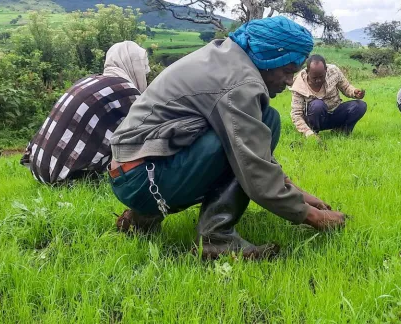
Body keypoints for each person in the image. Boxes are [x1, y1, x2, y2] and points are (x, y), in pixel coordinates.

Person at [108, 17, 346, 260]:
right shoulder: (240, 82)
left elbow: (256, 152)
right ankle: (217, 241)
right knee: (257, 129)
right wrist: (313, 216)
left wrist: (297, 192)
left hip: (132, 173)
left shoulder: (226, 57)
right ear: (267, 59)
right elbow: (253, 168)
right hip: (143, 179)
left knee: (262, 120)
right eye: (286, 71)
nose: (288, 82)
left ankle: (142, 219)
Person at [20, 41, 150, 184]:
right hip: (63, 177)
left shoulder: (91, 80)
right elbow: (145, 132)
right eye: (143, 68)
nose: (145, 73)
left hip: (38, 167)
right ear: (134, 65)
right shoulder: (125, 90)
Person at [289, 54, 367, 138]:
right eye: (314, 78)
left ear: (326, 70)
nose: (318, 80)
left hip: (335, 112)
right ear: (307, 72)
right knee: (317, 105)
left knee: (360, 106)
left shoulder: (334, 71)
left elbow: (346, 87)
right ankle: (314, 133)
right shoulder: (299, 85)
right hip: (314, 119)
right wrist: (307, 132)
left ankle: (341, 132)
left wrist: (354, 92)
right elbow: (296, 114)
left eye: (321, 77)